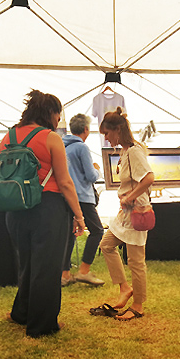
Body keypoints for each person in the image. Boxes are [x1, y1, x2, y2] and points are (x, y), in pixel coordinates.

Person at [0, 90, 85, 337]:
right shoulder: (50, 138)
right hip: (48, 209)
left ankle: (21, 313)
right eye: (58, 114)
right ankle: (41, 325)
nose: (59, 120)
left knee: (27, 264)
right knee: (47, 267)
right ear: (50, 113)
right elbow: (65, 182)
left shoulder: (8, 136)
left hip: (15, 210)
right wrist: (79, 215)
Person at [97, 107, 154, 320]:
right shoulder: (126, 151)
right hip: (126, 213)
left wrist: (130, 197)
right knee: (106, 245)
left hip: (136, 212)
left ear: (118, 129)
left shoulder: (134, 151)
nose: (106, 138)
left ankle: (138, 305)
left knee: (136, 260)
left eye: (107, 133)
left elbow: (149, 178)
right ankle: (124, 288)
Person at [60, 114, 105, 287]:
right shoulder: (82, 148)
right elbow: (90, 176)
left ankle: (65, 275)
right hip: (83, 197)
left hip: (66, 196)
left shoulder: (63, 147)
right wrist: (96, 170)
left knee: (69, 235)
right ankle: (84, 271)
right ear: (86, 129)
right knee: (97, 231)